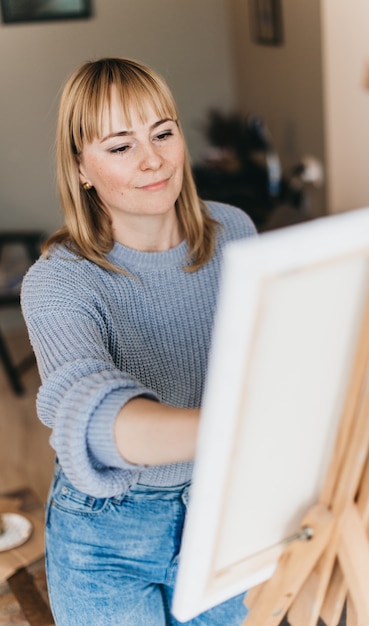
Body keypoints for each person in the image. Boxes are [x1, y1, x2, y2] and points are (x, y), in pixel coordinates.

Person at [21, 57, 257, 625]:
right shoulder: (58, 280)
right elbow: (89, 410)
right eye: (120, 146)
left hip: (223, 512)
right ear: (81, 167)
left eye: (163, 133)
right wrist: (244, 424)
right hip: (108, 531)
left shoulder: (236, 233)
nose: (153, 160)